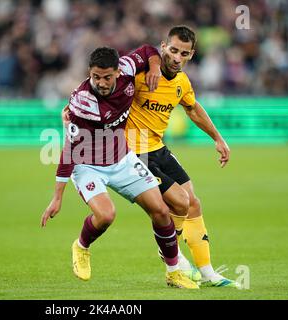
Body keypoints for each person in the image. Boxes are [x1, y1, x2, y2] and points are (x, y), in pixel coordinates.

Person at [41, 45, 199, 289]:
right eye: (95, 77)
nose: (101, 83)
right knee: (106, 215)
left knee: (161, 211)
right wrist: (57, 197)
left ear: (117, 72)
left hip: (122, 159)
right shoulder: (82, 102)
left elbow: (148, 51)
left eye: (106, 77)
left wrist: (155, 67)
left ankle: (173, 273)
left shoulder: (127, 69)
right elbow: (69, 151)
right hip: (88, 164)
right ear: (89, 73)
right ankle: (81, 246)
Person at [125, 25, 239, 287]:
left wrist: (218, 139)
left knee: (193, 203)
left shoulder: (182, 82)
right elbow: (110, 84)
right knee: (179, 202)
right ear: (163, 47)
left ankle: (208, 272)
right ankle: (170, 253)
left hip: (158, 148)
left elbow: (193, 109)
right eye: (173, 50)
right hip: (134, 152)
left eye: (184, 53)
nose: (177, 57)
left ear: (191, 54)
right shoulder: (140, 76)